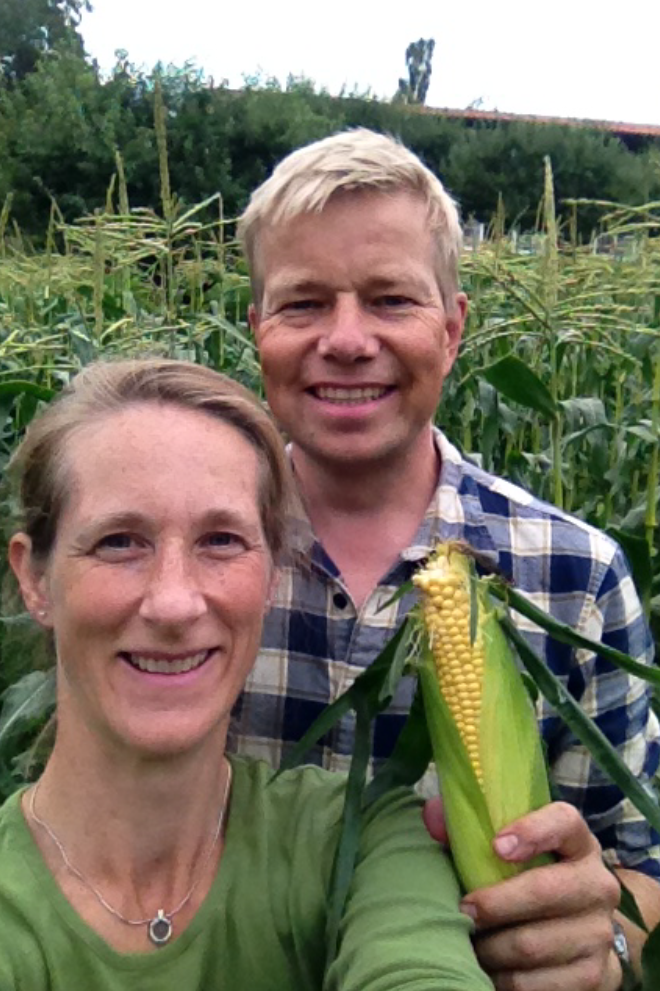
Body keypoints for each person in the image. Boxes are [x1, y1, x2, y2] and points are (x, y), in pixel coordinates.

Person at [230, 128, 660, 990]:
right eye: (304, 304)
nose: (347, 340)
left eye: (392, 300)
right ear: (257, 330)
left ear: (454, 328)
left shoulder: (576, 575)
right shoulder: (183, 568)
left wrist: (606, 941)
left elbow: (643, 876)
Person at [0, 358, 494, 990]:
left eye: (222, 541)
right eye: (120, 542)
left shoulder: (362, 840)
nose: (174, 603)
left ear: (272, 576)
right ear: (34, 578)